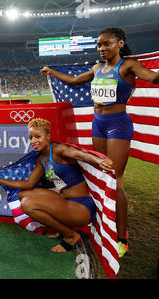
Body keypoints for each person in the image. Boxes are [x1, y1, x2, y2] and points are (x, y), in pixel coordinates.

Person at [40, 27, 159, 257]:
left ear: (120, 44)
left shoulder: (128, 66)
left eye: (107, 44)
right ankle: (104, 222)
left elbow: (153, 77)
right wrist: (52, 72)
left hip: (118, 125)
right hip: (98, 124)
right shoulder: (97, 68)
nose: (102, 49)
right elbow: (75, 81)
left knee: (116, 178)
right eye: (99, 45)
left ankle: (122, 237)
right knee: (103, 176)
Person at [0, 118, 114, 253]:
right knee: (22, 194)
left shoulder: (58, 149)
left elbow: (80, 154)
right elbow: (28, 183)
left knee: (27, 204)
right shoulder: (42, 160)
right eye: (30, 137)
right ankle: (60, 229)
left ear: (48, 136)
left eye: (37, 136)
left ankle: (70, 236)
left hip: (81, 208)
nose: (33, 141)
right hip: (66, 202)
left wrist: (99, 160)